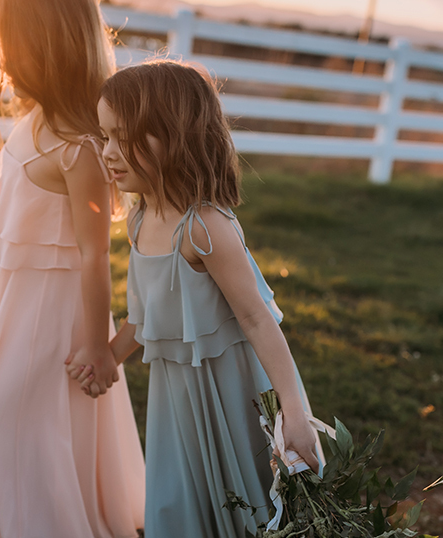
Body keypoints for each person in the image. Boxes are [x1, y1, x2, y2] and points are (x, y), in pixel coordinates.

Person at [75, 59, 321, 538]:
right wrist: (106, 358)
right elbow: (144, 317)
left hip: (230, 395)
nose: (108, 152)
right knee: (179, 502)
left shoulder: (207, 227)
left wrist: (295, 411)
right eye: (104, 136)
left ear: (175, 135)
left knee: (244, 502)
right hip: (176, 401)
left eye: (123, 137)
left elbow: (256, 319)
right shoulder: (141, 221)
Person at [0, 0, 145, 536]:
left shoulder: (81, 150)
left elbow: (95, 254)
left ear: (46, 52)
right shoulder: (33, 120)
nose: (6, 67)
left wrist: (98, 344)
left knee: (14, 428)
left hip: (50, 319)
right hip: (7, 307)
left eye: (13, 53)